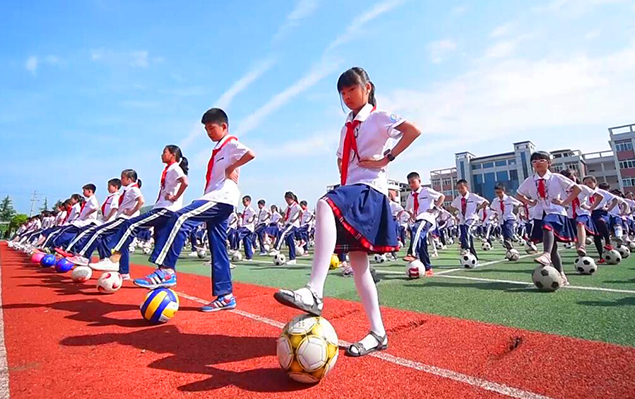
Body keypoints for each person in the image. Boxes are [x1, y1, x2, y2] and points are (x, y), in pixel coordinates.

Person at [274, 67, 420, 357]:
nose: (347, 96)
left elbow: (413, 130)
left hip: (370, 190)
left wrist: (386, 159)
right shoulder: (346, 126)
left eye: (352, 89)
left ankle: (314, 291)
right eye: (342, 93)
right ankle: (378, 333)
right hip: (353, 188)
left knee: (324, 203)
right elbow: (342, 159)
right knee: (359, 266)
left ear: (367, 88)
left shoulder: (378, 117)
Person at [132, 108, 256, 312]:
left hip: (221, 197)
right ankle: (225, 296)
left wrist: (231, 168)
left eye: (212, 128)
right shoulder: (218, 149)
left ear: (224, 126)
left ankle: (166, 270)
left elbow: (251, 154)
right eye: (206, 129)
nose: (209, 133)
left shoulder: (230, 142)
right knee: (218, 248)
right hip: (217, 198)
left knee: (180, 218)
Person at [90, 146, 189, 275]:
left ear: (172, 155)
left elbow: (185, 182)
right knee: (161, 241)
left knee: (131, 224)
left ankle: (113, 259)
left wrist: (174, 197)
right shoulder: (169, 169)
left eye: (164, 152)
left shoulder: (175, 168)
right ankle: (164, 273)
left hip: (166, 209)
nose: (161, 155)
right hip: (162, 208)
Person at [515, 151, 580, 284]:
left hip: (556, 213)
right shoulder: (530, 181)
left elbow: (577, 189)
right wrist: (530, 202)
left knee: (547, 224)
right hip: (539, 213)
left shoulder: (556, 178)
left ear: (549, 163)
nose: (537, 163)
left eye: (541, 160)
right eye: (534, 161)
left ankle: (546, 255)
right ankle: (561, 274)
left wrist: (564, 202)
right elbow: (519, 194)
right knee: (553, 246)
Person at [402, 172, 444, 275]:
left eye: (413, 182)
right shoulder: (411, 195)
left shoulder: (426, 191)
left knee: (417, 230)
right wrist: (412, 215)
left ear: (419, 181)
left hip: (426, 218)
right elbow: (407, 208)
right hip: (418, 219)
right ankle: (427, 268)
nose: (411, 185)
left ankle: (412, 253)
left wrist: (435, 208)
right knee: (422, 243)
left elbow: (441, 196)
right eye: (409, 183)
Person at [446, 179, 489, 259]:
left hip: (472, 218)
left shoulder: (473, 196)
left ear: (467, 187)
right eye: (458, 188)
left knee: (466, 228)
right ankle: (474, 256)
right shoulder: (458, 199)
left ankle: (465, 248)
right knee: (465, 234)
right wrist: (453, 211)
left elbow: (486, 202)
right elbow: (452, 207)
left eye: (462, 188)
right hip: (463, 220)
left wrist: (478, 208)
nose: (460, 190)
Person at [490, 183, 523, 255]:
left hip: (510, 217)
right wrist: (494, 214)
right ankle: (510, 249)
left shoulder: (509, 199)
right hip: (501, 219)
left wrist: (517, 210)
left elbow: (520, 204)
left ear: (503, 191)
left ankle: (510, 238)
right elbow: (492, 208)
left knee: (508, 227)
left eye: (499, 192)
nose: (498, 194)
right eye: (496, 193)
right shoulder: (495, 201)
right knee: (504, 233)